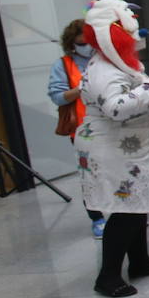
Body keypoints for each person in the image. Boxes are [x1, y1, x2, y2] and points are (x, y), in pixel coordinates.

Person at [75, 0, 149, 297]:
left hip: (129, 150)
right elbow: (117, 108)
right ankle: (107, 276)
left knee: (138, 206)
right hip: (113, 152)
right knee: (125, 211)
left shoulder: (115, 63)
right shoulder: (104, 70)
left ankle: (140, 262)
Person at [48, 18, 106, 238]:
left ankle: (126, 212)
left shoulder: (105, 59)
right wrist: (80, 88)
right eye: (81, 43)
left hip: (110, 124)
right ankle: (97, 218)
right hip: (83, 130)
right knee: (90, 176)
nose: (86, 47)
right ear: (72, 43)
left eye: (89, 41)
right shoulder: (63, 65)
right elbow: (57, 97)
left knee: (118, 170)